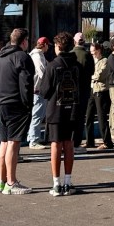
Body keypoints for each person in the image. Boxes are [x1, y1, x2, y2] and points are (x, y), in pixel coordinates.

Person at [0, 28, 35, 195]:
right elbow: (26, 83)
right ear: (24, 41)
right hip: (16, 104)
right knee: (14, 143)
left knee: (4, 142)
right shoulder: (22, 57)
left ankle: (1, 181)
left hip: (0, 103)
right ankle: (11, 182)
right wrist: (28, 104)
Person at [39, 31, 82, 195]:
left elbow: (44, 91)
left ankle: (56, 183)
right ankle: (68, 182)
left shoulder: (52, 65)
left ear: (57, 47)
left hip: (55, 111)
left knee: (55, 145)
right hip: (73, 110)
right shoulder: (77, 66)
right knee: (69, 145)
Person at [86, 41, 113, 149]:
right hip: (92, 90)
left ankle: (107, 142)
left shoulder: (105, 61)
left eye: (94, 52)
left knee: (101, 118)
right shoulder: (91, 61)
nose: (92, 54)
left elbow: (100, 75)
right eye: (91, 52)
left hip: (101, 91)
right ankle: (89, 141)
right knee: (88, 116)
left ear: (99, 51)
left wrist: (90, 76)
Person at [27, 36, 50, 149]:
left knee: (36, 114)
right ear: (44, 45)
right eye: (47, 46)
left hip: (35, 89)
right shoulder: (37, 56)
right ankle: (33, 140)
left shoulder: (36, 55)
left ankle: (32, 136)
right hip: (38, 89)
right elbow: (43, 73)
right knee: (37, 115)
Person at [71, 33, 93, 148]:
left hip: (70, 91)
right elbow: (92, 71)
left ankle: (69, 141)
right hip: (84, 91)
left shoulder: (70, 54)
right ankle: (77, 142)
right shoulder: (88, 55)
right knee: (80, 117)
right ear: (83, 42)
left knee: (71, 117)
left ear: (74, 41)